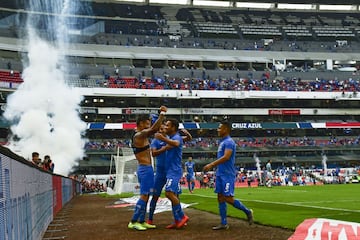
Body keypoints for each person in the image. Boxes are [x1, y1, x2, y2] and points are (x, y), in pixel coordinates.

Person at [203, 121, 253, 230]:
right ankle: (223, 223)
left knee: (228, 198)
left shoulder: (229, 142)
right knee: (220, 198)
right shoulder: (222, 142)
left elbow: (226, 157)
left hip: (227, 174)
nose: (218, 130)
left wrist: (211, 164)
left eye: (220, 128)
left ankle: (247, 211)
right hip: (220, 173)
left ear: (226, 129)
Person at [127, 105, 167, 231]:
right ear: (141, 123)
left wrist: (156, 113)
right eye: (147, 123)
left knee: (147, 195)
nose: (149, 125)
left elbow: (152, 127)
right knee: (144, 195)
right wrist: (162, 114)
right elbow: (154, 129)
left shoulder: (138, 134)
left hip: (146, 169)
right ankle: (133, 221)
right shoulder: (139, 135)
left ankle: (141, 221)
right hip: (145, 169)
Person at [147, 124, 192, 225]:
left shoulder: (171, 138)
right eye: (161, 129)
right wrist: (165, 148)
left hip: (170, 172)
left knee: (174, 194)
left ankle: (178, 219)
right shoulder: (156, 141)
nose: (164, 130)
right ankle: (150, 219)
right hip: (160, 172)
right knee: (154, 195)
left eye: (165, 128)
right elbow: (153, 153)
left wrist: (187, 134)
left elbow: (185, 139)